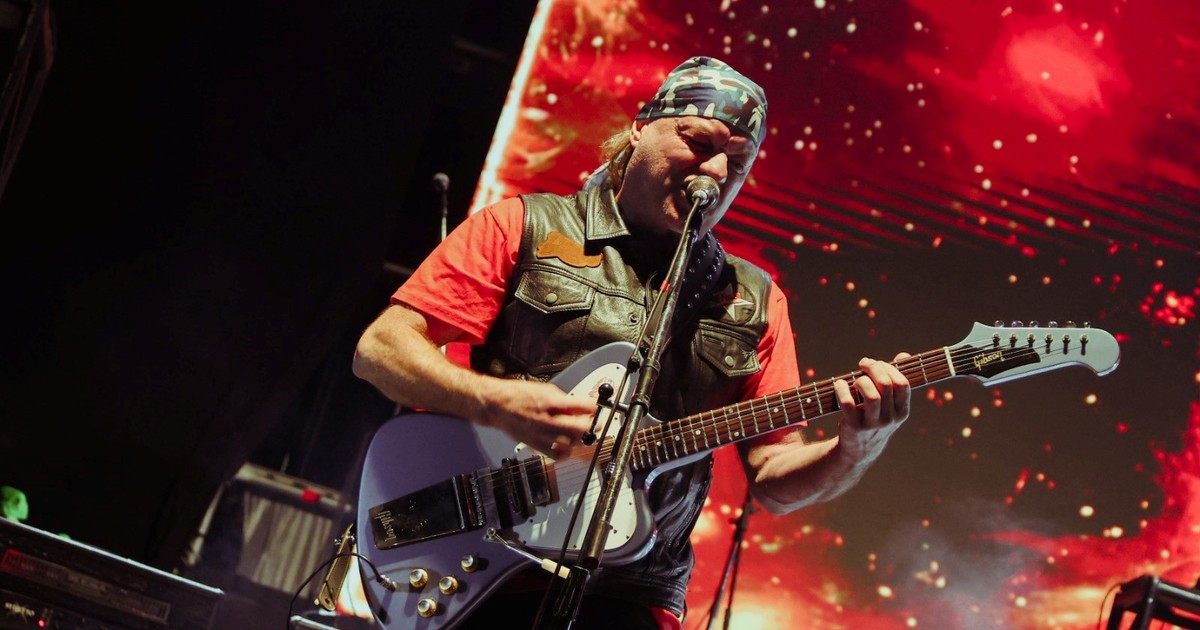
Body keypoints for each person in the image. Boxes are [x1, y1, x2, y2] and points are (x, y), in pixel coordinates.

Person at [352, 56, 912, 630]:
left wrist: (855, 449)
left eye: (739, 162)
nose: (717, 170)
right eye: (699, 142)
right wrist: (493, 401)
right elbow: (382, 349)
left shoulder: (754, 300)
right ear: (641, 128)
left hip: (631, 591)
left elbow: (775, 479)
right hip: (481, 558)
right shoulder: (524, 226)